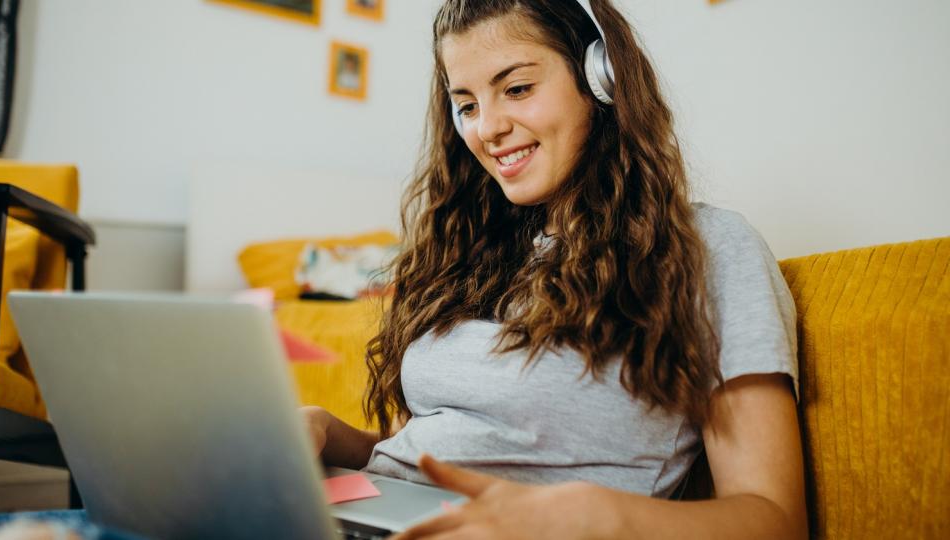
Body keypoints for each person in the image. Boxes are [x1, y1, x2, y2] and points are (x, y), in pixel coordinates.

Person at [301, 0, 807, 538]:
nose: (488, 128)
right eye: (466, 105)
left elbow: (774, 519)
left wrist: (599, 517)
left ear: (600, 79)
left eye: (517, 89)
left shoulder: (707, 249)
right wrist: (332, 437)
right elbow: (423, 455)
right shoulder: (469, 253)